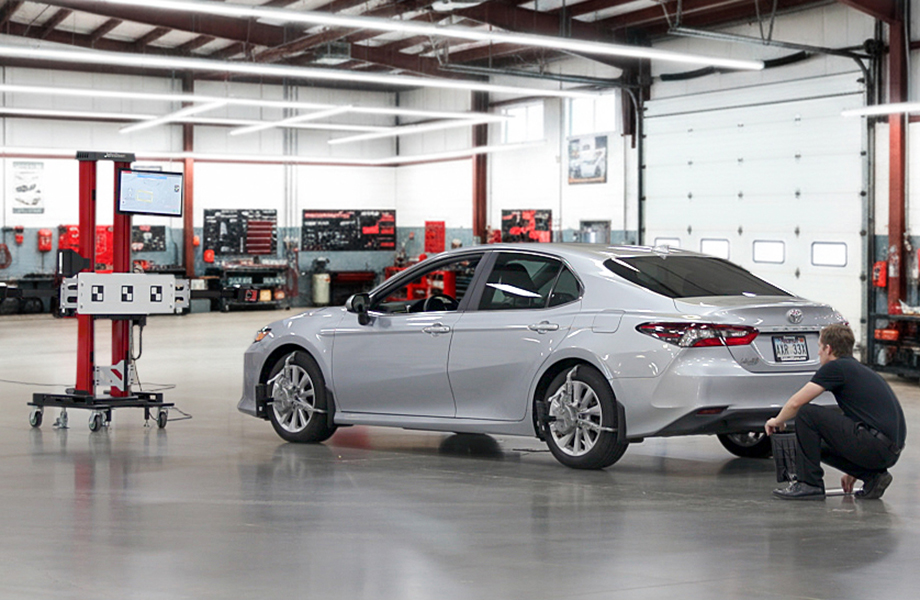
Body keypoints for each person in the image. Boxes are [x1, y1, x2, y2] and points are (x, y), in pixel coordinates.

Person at [765, 323, 906, 500]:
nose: (818, 353)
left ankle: (809, 484)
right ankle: (873, 477)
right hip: (887, 450)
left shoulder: (835, 367)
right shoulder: (859, 370)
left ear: (828, 348)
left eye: (819, 348)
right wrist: (854, 469)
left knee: (807, 413)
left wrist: (777, 421)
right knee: (816, 444)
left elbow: (796, 403)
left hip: (876, 445)